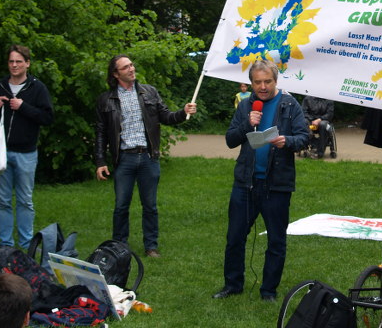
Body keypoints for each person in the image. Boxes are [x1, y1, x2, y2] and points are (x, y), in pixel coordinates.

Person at [213, 59, 309, 302]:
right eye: (258, 82)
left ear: (276, 80)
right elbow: (230, 139)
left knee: (276, 241)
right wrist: (248, 123)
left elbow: (304, 137)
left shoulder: (289, 104)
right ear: (251, 83)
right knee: (235, 237)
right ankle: (232, 285)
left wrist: (287, 140)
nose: (263, 86)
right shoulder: (246, 106)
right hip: (245, 183)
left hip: (277, 185)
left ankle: (269, 291)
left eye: (267, 81)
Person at [95, 54, 196, 258]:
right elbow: (100, 132)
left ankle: (151, 246)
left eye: (131, 65)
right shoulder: (106, 99)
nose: (131, 69)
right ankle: (119, 246)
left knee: (150, 205)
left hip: (148, 157)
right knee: (121, 205)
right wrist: (100, 161)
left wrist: (183, 112)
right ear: (116, 74)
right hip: (124, 159)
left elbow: (166, 117)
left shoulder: (148, 92)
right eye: (125, 67)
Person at [0, 45, 54, 250]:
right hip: (1, 152)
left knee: (25, 200)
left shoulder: (37, 88)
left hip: (27, 153)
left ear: (27, 64)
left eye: (19, 62)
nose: (14, 65)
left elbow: (47, 117)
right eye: (11, 61)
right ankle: (5, 244)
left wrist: (23, 107)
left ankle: (26, 242)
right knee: (2, 200)